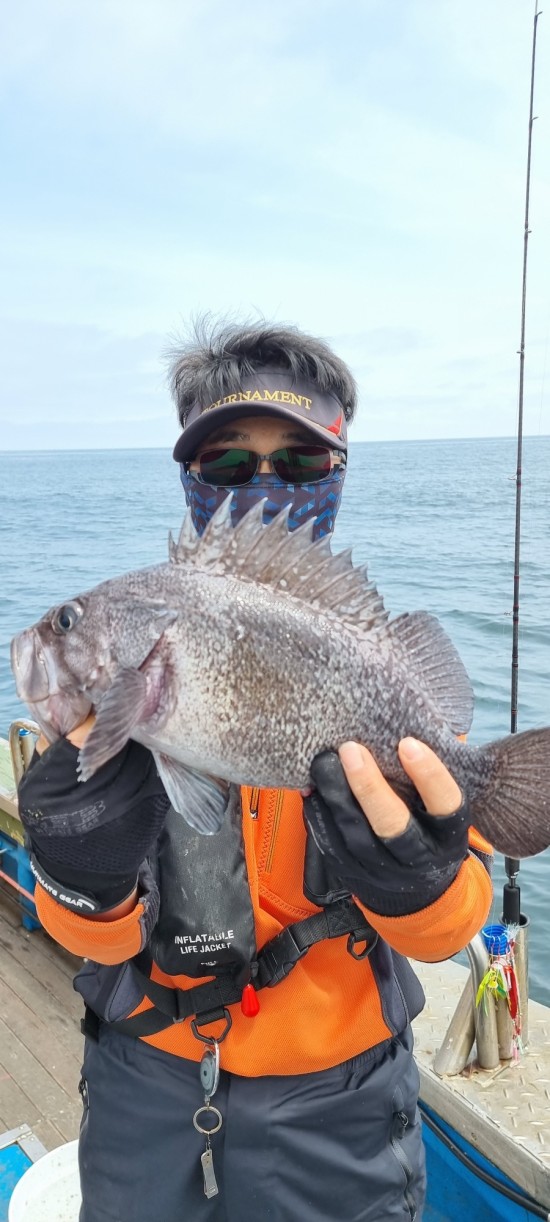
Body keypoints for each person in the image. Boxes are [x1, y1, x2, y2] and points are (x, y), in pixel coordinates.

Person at [17, 320, 493, 1222]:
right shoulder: (127, 659)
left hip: (344, 1110)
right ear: (189, 478)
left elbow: (450, 929)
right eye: (230, 464)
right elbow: (93, 940)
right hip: (144, 1089)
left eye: (302, 464)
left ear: (339, 472)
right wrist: (78, 876)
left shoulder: (369, 663)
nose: (265, 486)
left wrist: (422, 883)